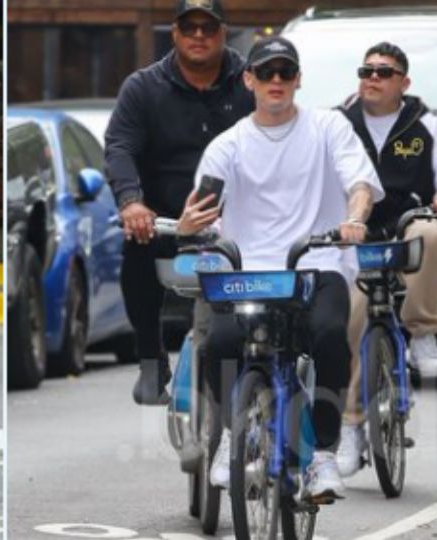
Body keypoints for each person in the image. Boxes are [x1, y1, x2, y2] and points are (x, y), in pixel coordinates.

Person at [177, 36, 383, 500]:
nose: (275, 81)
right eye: (265, 72)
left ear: (298, 79)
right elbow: (203, 208)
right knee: (220, 344)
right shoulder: (227, 146)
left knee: (331, 336)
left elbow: (360, 183)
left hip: (316, 265)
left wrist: (354, 219)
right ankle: (233, 435)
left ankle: (325, 455)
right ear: (248, 79)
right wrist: (191, 224)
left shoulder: (329, 127)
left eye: (284, 73)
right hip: (249, 272)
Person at [104, 0, 254, 405]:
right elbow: (120, 147)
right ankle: (151, 359)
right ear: (175, 34)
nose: (199, 36)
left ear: (224, 32)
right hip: (166, 221)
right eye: (190, 28)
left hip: (239, 223)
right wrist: (132, 202)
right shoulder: (142, 86)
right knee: (136, 251)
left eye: (209, 28)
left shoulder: (250, 82)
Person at [335, 42, 437, 477]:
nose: (373, 78)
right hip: (354, 237)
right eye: (366, 70)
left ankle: (421, 331)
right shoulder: (337, 122)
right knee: (351, 326)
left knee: (432, 232)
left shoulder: (426, 125)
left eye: (384, 72)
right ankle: (350, 427)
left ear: (404, 81)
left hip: (406, 227)